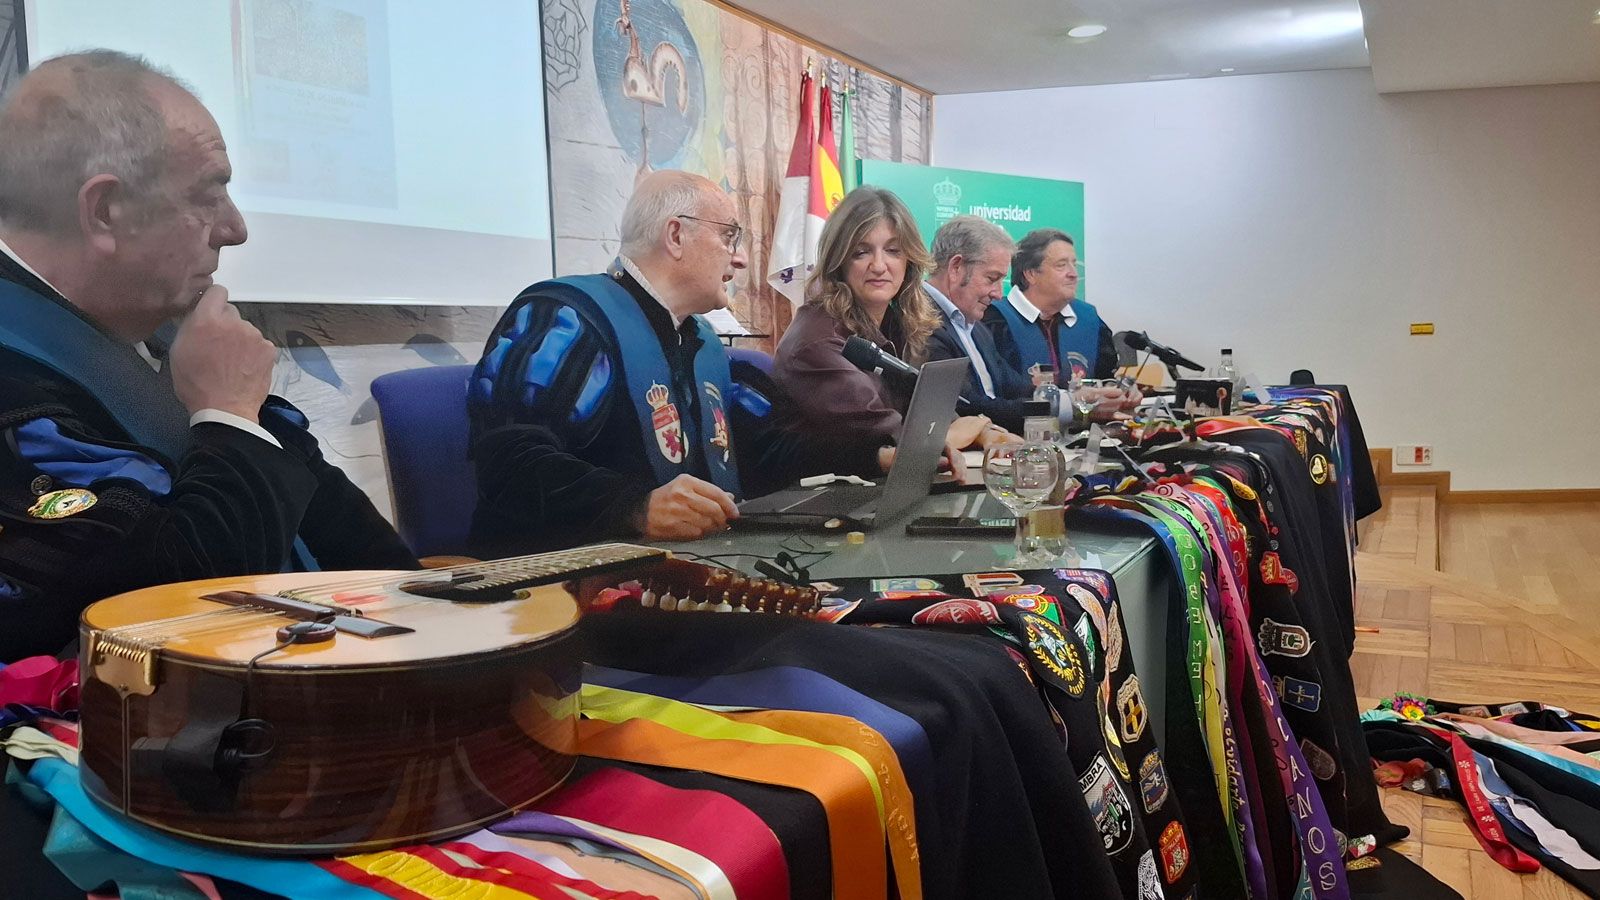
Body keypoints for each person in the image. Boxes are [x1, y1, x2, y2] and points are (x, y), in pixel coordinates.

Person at [0, 51, 417, 663]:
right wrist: (228, 415)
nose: (236, 228)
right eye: (208, 194)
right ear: (105, 211)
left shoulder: (153, 335)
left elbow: (327, 514)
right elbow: (166, 614)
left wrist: (427, 609)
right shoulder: (16, 383)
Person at [467, 170, 903, 555]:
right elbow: (509, 462)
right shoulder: (566, 319)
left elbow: (763, 451)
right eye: (729, 236)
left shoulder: (699, 342)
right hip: (561, 589)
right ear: (675, 235)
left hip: (687, 573)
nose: (742, 258)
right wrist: (635, 507)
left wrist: (875, 455)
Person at [773, 187, 1014, 453]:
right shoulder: (817, 341)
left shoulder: (897, 324)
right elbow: (889, 437)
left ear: (909, 260)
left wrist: (983, 432)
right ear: (838, 260)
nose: (879, 265)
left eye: (893, 251)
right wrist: (959, 433)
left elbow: (931, 411)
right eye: (861, 252)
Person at [983, 228, 1139, 415]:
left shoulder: (1089, 319)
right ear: (1030, 273)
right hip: (1022, 434)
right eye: (1061, 265)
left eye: (1074, 264)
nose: (1073, 274)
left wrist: (1118, 390)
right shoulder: (994, 321)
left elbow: (1104, 377)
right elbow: (996, 395)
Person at [921, 216, 1036, 433]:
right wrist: (1054, 408)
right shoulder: (920, 321)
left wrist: (1069, 399)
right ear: (956, 267)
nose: (999, 295)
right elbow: (965, 406)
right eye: (992, 279)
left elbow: (1015, 387)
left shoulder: (978, 328)